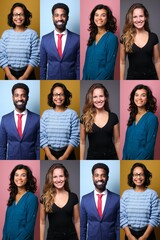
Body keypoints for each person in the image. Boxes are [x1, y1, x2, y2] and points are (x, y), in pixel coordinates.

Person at [40, 163, 80, 240]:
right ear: (51, 179)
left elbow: (77, 221)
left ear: (65, 177)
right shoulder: (44, 198)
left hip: (72, 237)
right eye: (55, 177)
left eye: (61, 176)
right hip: (52, 237)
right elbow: (42, 222)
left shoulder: (73, 197)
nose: (58, 180)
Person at [120, 3, 160, 80]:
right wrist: (121, 80)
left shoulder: (153, 37)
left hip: (152, 77)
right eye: (135, 17)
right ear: (131, 19)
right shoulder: (124, 38)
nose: (138, 20)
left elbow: (157, 61)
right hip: (132, 78)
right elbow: (122, 62)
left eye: (141, 16)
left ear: (145, 17)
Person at [0, 83, 40, 160]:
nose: (20, 98)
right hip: (11, 160)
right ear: (12, 97)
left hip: (31, 160)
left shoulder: (37, 119)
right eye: (17, 95)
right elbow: (2, 146)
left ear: (27, 98)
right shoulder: (5, 119)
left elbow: (38, 146)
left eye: (23, 95)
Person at [0, 2, 39, 80]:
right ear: (12, 17)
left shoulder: (33, 34)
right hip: (9, 73)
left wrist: (25, 76)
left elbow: (35, 56)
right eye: (15, 14)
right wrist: (9, 75)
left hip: (28, 73)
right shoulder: (6, 34)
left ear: (25, 16)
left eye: (21, 14)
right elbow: (1, 55)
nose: (18, 17)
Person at [40, 3, 80, 80]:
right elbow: (42, 66)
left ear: (67, 18)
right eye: (56, 15)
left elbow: (78, 66)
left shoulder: (77, 39)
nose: (60, 18)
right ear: (52, 17)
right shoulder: (45, 39)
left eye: (63, 15)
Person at [40, 82, 79, 160]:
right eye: (55, 94)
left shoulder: (72, 114)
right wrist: (49, 155)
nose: (58, 97)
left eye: (61, 94)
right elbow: (41, 136)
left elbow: (75, 137)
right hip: (49, 153)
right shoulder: (46, 114)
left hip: (68, 153)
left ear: (65, 96)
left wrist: (65, 156)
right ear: (52, 96)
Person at [80, 83, 120, 160]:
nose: (98, 100)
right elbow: (82, 142)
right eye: (95, 97)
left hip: (112, 157)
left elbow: (117, 141)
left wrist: (120, 160)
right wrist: (81, 161)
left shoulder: (113, 117)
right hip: (92, 158)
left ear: (105, 97)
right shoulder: (84, 118)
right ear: (91, 99)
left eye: (101, 96)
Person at [80, 163, 120, 240]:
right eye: (97, 175)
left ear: (107, 178)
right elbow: (82, 226)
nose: (100, 178)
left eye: (103, 175)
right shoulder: (85, 199)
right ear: (92, 177)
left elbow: (118, 227)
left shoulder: (117, 199)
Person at [120, 162, 159, 240]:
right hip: (129, 234)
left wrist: (145, 237)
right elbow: (121, 216)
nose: (138, 177)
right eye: (135, 174)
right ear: (132, 176)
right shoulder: (126, 194)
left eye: (141, 174)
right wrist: (129, 235)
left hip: (148, 234)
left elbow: (155, 217)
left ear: (145, 176)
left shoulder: (153, 194)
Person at [82, 4, 118, 80]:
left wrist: (96, 81)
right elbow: (87, 62)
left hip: (102, 80)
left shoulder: (112, 38)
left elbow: (109, 68)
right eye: (97, 15)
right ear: (93, 17)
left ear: (108, 18)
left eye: (103, 15)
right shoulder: (92, 36)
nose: (99, 18)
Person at [123, 84, 158, 160]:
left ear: (147, 98)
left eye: (143, 95)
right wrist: (124, 159)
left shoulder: (152, 118)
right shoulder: (132, 116)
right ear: (133, 97)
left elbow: (149, 147)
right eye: (136, 95)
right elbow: (127, 142)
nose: (139, 98)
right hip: (127, 159)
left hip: (143, 160)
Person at [2, 164, 38, 240]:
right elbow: (7, 222)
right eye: (16, 175)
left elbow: (29, 228)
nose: (19, 178)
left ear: (27, 178)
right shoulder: (12, 196)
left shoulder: (32, 199)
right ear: (13, 177)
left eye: (23, 175)